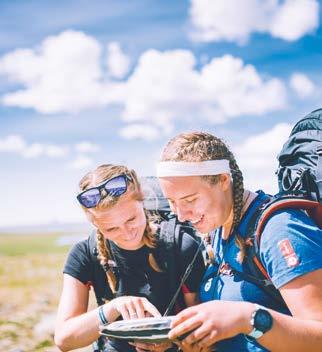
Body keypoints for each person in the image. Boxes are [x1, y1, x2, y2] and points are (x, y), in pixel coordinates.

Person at [156, 131, 322, 352]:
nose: (181, 214)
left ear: (224, 180)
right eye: (172, 202)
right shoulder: (217, 230)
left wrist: (248, 318)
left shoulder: (279, 229)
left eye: (190, 200)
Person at [54, 164, 205, 352]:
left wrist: (172, 343)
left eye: (131, 219)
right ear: (95, 224)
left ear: (142, 202)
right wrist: (113, 308)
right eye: (111, 229)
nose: (127, 234)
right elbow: (64, 339)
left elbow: (202, 334)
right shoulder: (84, 254)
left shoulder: (180, 246)